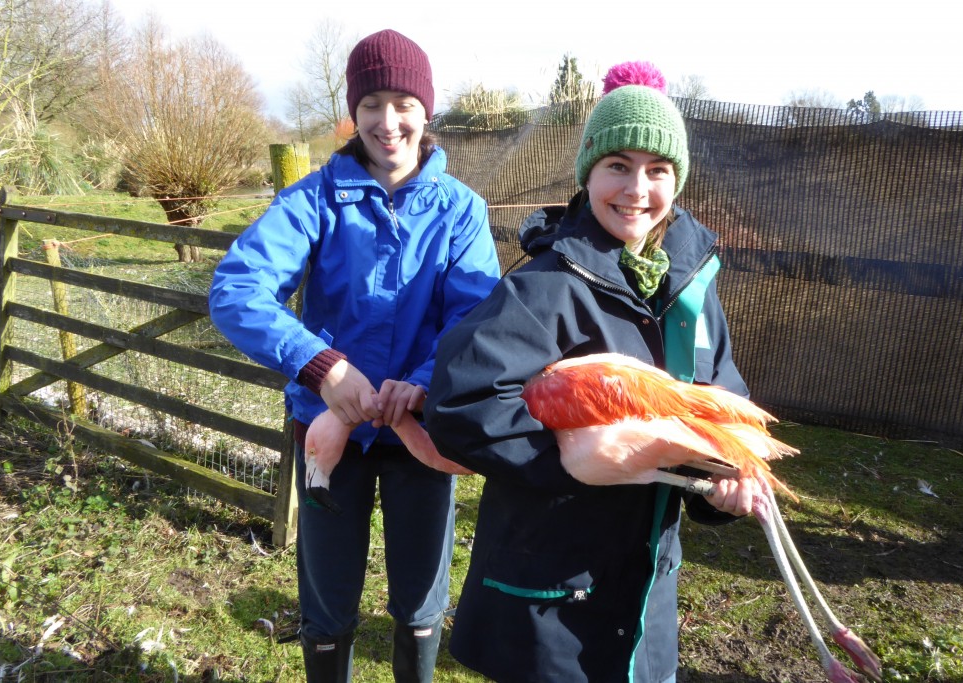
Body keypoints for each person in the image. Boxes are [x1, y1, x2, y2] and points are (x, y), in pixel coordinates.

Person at [423, 61, 760, 683]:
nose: (637, 189)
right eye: (618, 166)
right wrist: (569, 458)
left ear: (677, 180)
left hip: (645, 595)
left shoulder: (693, 288)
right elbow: (459, 403)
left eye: (657, 170)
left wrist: (720, 484)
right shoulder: (544, 284)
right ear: (589, 172)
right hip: (549, 590)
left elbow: (721, 400)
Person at [208, 29, 501, 683]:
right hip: (326, 433)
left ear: (427, 110)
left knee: (421, 595)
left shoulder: (460, 212)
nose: (388, 121)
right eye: (372, 102)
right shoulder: (315, 198)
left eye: (403, 102)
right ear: (353, 109)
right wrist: (322, 366)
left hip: (421, 433)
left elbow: (473, 317)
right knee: (328, 595)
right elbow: (235, 289)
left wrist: (422, 382)